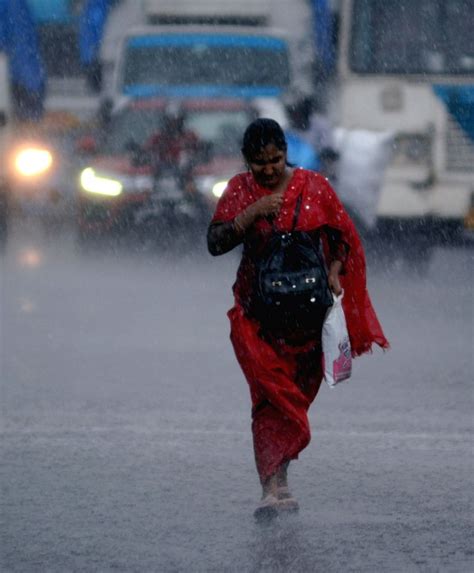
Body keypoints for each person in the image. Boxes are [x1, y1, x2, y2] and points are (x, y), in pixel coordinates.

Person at [207, 118, 389, 520]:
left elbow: (343, 235)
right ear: (246, 162)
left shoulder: (314, 186)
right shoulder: (239, 191)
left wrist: (335, 269)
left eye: (275, 160)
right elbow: (215, 242)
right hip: (258, 318)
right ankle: (269, 487)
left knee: (295, 399)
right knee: (269, 399)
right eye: (259, 163)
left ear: (286, 154)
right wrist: (251, 213)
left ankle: (282, 478)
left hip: (307, 321)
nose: (269, 170)